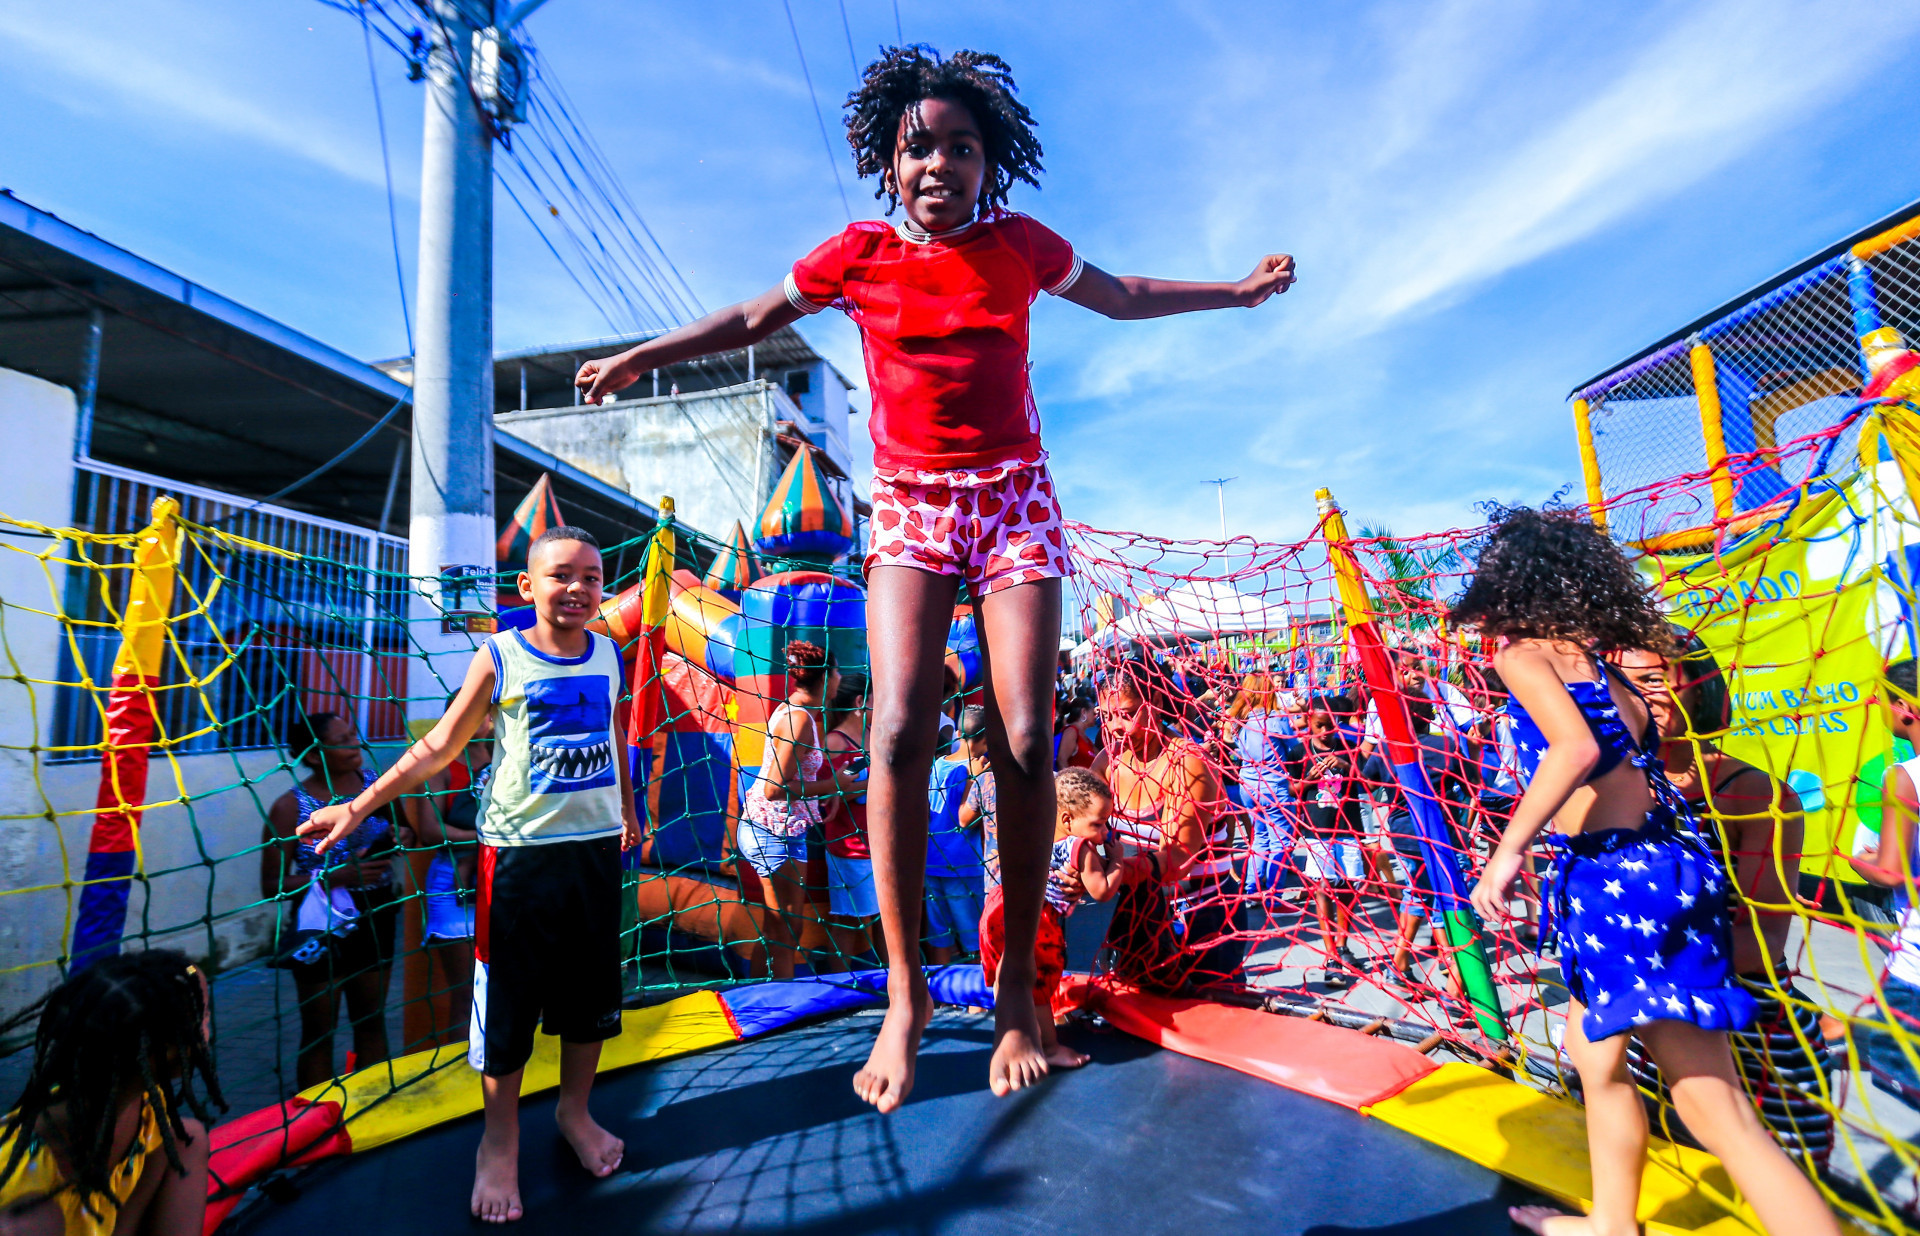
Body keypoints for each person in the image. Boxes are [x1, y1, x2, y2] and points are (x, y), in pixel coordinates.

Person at [574, 45, 1293, 1110]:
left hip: (1012, 501)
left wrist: (1231, 294)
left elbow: (1126, 293)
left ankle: (1017, 995)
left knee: (1021, 731)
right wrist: (646, 355)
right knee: (901, 725)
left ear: (988, 164)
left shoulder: (1018, 245)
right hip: (913, 502)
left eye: (963, 147)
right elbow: (747, 321)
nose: (940, 164)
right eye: (921, 147)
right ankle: (907, 996)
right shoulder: (854, 256)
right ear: (887, 160)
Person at [1456, 506, 1838, 1236]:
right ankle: (1612, 1223)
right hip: (1661, 865)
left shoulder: (1523, 654)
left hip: (1615, 881)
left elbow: (1572, 751)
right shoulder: (1601, 665)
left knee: (1711, 1105)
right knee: (1592, 1059)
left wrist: (1510, 849)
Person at [299, 527, 642, 1224]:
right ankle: (500, 1140)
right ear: (528, 587)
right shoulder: (502, 656)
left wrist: (628, 811)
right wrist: (359, 803)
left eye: (590, 576)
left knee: (589, 998)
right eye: (560, 575)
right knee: (509, 1007)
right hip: (518, 859)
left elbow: (614, 737)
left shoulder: (609, 652)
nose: (576, 588)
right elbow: (438, 746)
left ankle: (576, 1113)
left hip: (595, 853)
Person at [1614, 634, 1829, 1161]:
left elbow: (1764, 943)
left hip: (1753, 1031)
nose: (1637, 698)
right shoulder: (1607, 787)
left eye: (1654, 680)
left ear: (1701, 689)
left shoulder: (1754, 793)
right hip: (1647, 1027)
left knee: (1778, 1180)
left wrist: (1640, 952)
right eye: (1619, 683)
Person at [0, 951, 222, 1236]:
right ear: (160, 1052)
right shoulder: (24, 1193)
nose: (208, 1026)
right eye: (203, 1016)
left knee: (189, 1138)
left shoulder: (144, 1110)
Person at [261, 710, 399, 1089]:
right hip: (319, 924)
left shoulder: (375, 787)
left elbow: (402, 834)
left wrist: (401, 836)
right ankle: (312, 1117)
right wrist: (332, 876)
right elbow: (272, 885)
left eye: (352, 735)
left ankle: (371, 1105)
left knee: (371, 1020)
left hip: (376, 914)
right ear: (311, 754)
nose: (354, 744)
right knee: (320, 1031)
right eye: (340, 742)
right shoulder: (290, 806)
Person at [980, 768, 1149, 1069]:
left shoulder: (1040, 830)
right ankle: (1048, 1046)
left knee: (1009, 977)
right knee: (1040, 985)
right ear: (1068, 820)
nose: (1103, 833)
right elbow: (1102, 891)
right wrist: (1118, 859)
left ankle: (1012, 1035)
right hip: (1038, 917)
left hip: (1001, 903)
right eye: (1097, 824)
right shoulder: (1080, 846)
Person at [1097, 664, 1245, 995]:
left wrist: (1111, 872)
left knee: (1212, 1022)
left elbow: (1176, 861)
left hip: (1201, 921)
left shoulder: (1186, 762)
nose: (1116, 726)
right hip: (1143, 915)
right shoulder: (1110, 761)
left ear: (1157, 704)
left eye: (1127, 714)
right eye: (1107, 716)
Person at [742, 640, 849, 980]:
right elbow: (775, 788)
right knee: (787, 930)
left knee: (781, 928)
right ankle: (777, 1010)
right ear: (826, 677)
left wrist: (824, 792)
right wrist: (836, 787)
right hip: (771, 829)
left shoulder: (803, 714)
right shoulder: (799, 719)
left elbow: (796, 776)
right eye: (837, 672)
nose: (840, 678)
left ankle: (754, 995)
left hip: (786, 829)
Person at [1850, 657, 1920, 1106]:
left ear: (1903, 708)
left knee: (1900, 1087)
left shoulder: (1904, 777)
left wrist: (1859, 860)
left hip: (1914, 968)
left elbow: (1891, 872)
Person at [407, 692, 495, 1045]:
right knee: (466, 995)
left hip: (504, 880)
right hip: (455, 886)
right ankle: (462, 1072)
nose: (480, 720)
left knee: (508, 990)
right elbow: (431, 830)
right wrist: (490, 836)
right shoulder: (440, 765)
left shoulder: (509, 758)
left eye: (485, 713)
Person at [1286, 699, 1369, 987]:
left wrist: (1347, 765)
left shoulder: (1348, 749)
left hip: (1347, 828)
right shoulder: (1299, 751)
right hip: (1318, 832)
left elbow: (1369, 783)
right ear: (1308, 722)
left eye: (1330, 726)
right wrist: (1308, 780)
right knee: (1322, 889)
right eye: (1319, 725)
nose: (1325, 731)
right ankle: (1331, 952)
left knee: (1347, 887)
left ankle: (1343, 946)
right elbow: (1292, 789)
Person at [820, 675, 881, 972]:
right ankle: (840, 983)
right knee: (848, 919)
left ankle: (891, 981)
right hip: (850, 847)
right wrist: (876, 783)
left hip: (880, 845)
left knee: (884, 918)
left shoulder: (873, 735)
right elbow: (827, 797)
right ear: (860, 703)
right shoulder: (835, 742)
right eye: (874, 700)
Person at [1223, 674, 1300, 904]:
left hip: (1249, 786)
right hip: (1273, 787)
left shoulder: (1239, 721)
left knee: (1260, 839)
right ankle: (1273, 896)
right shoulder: (1274, 720)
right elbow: (1295, 747)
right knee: (1281, 841)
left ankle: (1252, 892)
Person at [924, 735, 984, 965]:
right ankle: (975, 1000)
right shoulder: (975, 771)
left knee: (941, 936)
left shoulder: (939, 763)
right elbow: (968, 819)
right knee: (975, 942)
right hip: (963, 865)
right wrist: (977, 779)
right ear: (981, 741)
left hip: (933, 861)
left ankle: (942, 999)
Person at [957, 705, 1000, 888]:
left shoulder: (937, 767)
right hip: (970, 866)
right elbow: (964, 820)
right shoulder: (986, 775)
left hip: (934, 862)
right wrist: (974, 778)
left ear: (959, 733)